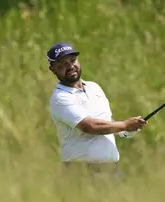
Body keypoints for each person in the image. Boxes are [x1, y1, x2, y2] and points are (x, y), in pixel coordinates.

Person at [47, 41, 146, 175]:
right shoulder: (60, 98)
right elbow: (90, 126)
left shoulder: (94, 87)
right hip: (82, 173)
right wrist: (124, 125)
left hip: (112, 170)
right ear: (52, 69)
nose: (70, 66)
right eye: (63, 64)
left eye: (73, 60)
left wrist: (127, 131)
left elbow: (108, 122)